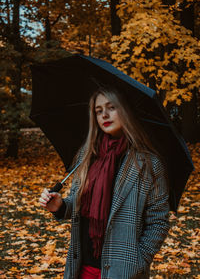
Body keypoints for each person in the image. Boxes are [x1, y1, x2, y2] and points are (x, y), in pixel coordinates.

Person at [39, 87, 170, 279]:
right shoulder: (86, 156)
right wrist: (60, 206)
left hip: (124, 271)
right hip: (81, 267)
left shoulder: (148, 164)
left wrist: (138, 260)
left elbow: (158, 222)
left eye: (111, 107)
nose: (104, 115)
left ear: (125, 110)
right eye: (98, 110)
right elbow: (78, 204)